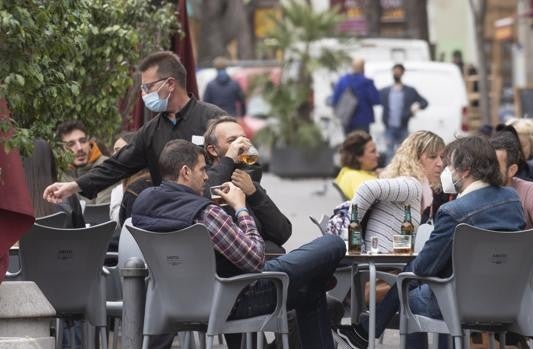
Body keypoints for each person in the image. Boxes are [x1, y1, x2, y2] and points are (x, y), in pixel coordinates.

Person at [131, 139, 345, 349]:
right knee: (333, 244)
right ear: (186, 172)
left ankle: (316, 278)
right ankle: (318, 275)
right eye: (202, 170)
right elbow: (255, 259)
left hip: (170, 300)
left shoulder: (142, 204)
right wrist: (240, 207)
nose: (206, 177)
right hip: (230, 298)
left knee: (312, 287)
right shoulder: (205, 213)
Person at [335, 136, 526, 349]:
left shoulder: (454, 211)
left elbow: (425, 267)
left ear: (464, 171)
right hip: (508, 300)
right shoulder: (513, 200)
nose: (445, 170)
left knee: (407, 283)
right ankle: (363, 332)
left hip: (457, 302)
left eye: (449, 166)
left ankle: (364, 332)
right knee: (415, 276)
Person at [43, 51, 226, 205]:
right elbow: (117, 165)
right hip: (168, 219)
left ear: (170, 84)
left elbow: (242, 163)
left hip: (212, 217)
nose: (144, 94)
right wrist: (74, 186)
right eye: (142, 88)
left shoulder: (213, 119)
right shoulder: (151, 131)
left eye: (148, 87)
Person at [203, 116, 291, 253]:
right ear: (213, 150)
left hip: (264, 261)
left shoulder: (247, 179)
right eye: (232, 141)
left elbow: (282, 233)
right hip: (234, 265)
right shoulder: (204, 178)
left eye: (243, 139)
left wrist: (254, 193)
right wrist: (229, 159)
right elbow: (210, 192)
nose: (240, 145)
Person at [350, 131, 440, 253]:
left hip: (389, 262)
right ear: (415, 158)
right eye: (433, 157)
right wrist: (352, 234)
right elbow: (367, 189)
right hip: (384, 265)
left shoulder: (414, 186)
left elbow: (397, 237)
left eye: (442, 157)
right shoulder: (411, 185)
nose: (440, 163)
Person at [490, 131, 533, 246]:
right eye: (486, 164)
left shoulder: (529, 191)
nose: (487, 171)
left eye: (495, 167)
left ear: (512, 170)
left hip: (523, 262)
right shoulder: (474, 190)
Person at [56, 120, 114, 205]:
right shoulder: (58, 173)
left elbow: (103, 211)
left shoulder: (106, 166)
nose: (79, 148)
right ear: (61, 150)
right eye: (71, 144)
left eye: (83, 141)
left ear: (89, 143)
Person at [379, 63, 428, 161]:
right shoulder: (385, 91)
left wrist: (416, 107)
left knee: (404, 154)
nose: (396, 74)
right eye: (395, 72)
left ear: (402, 73)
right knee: (389, 154)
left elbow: (424, 102)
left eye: (398, 72)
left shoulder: (409, 90)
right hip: (389, 127)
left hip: (403, 127)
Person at [332, 58, 380, 133]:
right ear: (363, 67)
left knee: (350, 143)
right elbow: (376, 100)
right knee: (362, 143)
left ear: (352, 67)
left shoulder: (343, 80)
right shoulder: (367, 82)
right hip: (363, 119)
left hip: (347, 118)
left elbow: (334, 100)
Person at [334, 131, 379, 200]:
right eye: (372, 151)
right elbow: (358, 207)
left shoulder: (346, 172)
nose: (377, 155)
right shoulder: (357, 179)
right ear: (358, 157)